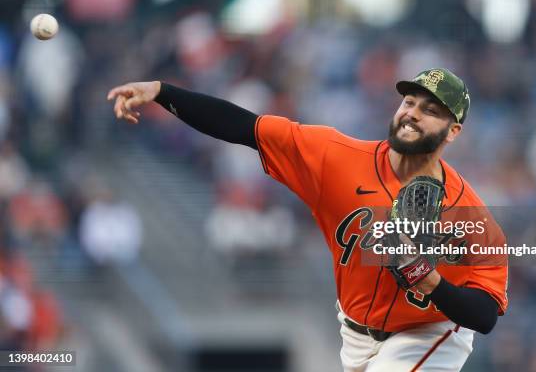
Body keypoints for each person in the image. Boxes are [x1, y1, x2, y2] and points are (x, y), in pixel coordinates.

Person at [107, 68, 508, 371]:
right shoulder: (335, 157)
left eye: (431, 110)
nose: (412, 114)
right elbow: (244, 127)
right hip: (354, 331)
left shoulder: (468, 214)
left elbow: (485, 314)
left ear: (452, 131)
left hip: (428, 333)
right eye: (410, 102)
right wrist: (162, 92)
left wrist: (431, 279)